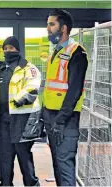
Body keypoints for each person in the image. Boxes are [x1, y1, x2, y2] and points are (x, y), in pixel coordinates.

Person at [0, 36, 41, 186]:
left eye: (11, 48)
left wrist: (20, 99)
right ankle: (5, 184)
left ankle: (31, 184)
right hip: (3, 122)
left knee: (24, 158)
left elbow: (32, 87)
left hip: (23, 121)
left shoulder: (29, 68)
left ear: (18, 50)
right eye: (5, 49)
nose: (8, 51)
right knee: (4, 158)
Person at [42, 9, 88, 186]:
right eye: (48, 24)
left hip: (65, 119)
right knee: (57, 163)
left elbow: (74, 91)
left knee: (64, 164)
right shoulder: (55, 52)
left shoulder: (77, 53)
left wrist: (60, 121)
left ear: (64, 28)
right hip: (51, 117)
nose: (48, 28)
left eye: (52, 24)